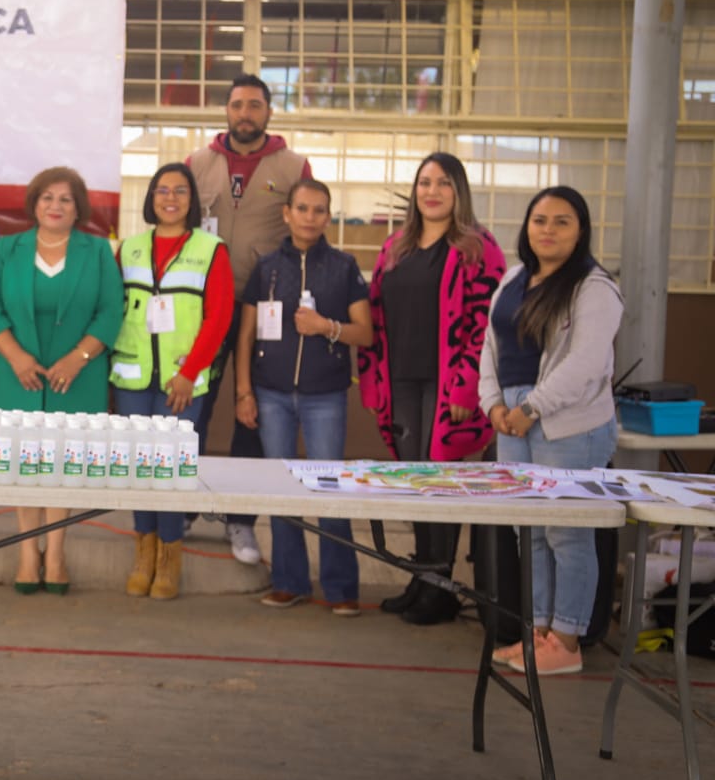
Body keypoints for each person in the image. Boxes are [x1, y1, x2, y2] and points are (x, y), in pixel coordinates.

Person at [359, 153, 507, 625]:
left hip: (447, 386)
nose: (433, 191)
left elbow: (486, 325)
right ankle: (422, 577)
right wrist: (374, 378)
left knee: (440, 483)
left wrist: (467, 389)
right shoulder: (395, 248)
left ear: (458, 191)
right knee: (412, 481)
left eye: (444, 183)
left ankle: (442, 589)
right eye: (425, 182)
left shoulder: (479, 248)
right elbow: (376, 316)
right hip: (400, 378)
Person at [479, 187, 621, 676]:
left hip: (568, 423)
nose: (548, 230)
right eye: (540, 220)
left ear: (580, 230)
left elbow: (585, 364)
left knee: (568, 533)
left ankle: (567, 639)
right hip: (513, 419)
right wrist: (493, 404)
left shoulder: (594, 287)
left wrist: (532, 408)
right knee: (530, 530)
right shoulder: (515, 277)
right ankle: (537, 634)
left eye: (562, 221)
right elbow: (490, 347)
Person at [0, 167, 124, 595]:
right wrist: (16, 356)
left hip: (77, 377)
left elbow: (111, 311)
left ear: (79, 208)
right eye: (47, 197)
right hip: (16, 374)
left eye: (65, 199)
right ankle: (28, 552)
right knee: (25, 463)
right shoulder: (8, 249)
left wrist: (78, 359)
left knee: (63, 464)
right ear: (34, 204)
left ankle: (56, 552)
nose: (55, 206)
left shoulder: (98, 251)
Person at [187, 73, 312, 566]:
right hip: (203, 306)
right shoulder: (198, 163)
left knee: (252, 415)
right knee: (192, 408)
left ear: (268, 112)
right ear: (226, 110)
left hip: (267, 310)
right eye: (237, 104)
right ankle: (183, 507)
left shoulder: (293, 165)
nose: (245, 113)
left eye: (254, 105)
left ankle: (240, 520)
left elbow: (305, 226)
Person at [235, 178, 372, 615]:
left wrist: (325, 327)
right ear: (287, 214)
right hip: (270, 394)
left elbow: (365, 333)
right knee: (281, 489)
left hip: (324, 397)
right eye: (303, 209)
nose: (310, 217)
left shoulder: (345, 267)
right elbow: (246, 334)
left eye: (319, 210)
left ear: (327, 217)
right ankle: (289, 581)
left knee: (329, 488)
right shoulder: (267, 268)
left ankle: (341, 587)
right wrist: (244, 391)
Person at [111, 162, 232, 600]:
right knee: (140, 471)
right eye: (162, 190)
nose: (170, 198)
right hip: (132, 380)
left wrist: (188, 374)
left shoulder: (210, 249)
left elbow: (219, 319)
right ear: (151, 197)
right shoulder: (129, 248)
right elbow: (113, 309)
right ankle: (142, 554)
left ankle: (168, 560)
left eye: (180, 191)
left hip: (183, 383)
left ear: (192, 201)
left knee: (171, 472)